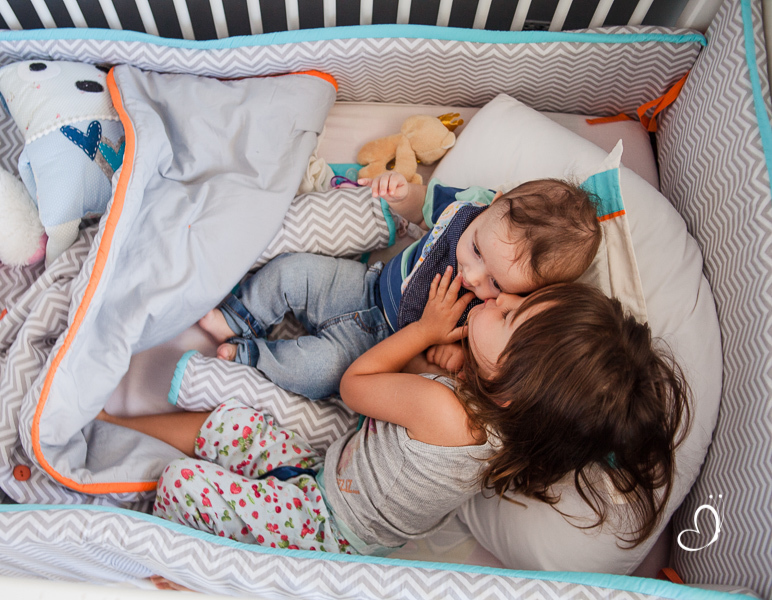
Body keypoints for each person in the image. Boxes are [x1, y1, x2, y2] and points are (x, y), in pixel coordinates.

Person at [98, 274, 689, 555]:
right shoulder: (510, 432)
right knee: (234, 425)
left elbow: (357, 386)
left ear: (511, 389)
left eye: (509, 315)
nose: (501, 296)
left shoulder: (445, 409)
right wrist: (454, 361)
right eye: (521, 299)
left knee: (183, 483)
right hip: (324, 478)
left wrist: (422, 333)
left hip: (323, 529)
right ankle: (113, 428)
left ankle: (141, 543)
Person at [198, 172, 602, 399]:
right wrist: (404, 195)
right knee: (292, 271)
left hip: (379, 350)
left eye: (496, 282)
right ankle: (239, 315)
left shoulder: (503, 315)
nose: (474, 277)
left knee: (318, 372)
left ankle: (251, 357)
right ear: (493, 202)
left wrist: (451, 351)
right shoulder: (470, 206)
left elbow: (482, 348)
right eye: (476, 249)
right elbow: (425, 209)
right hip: (364, 286)